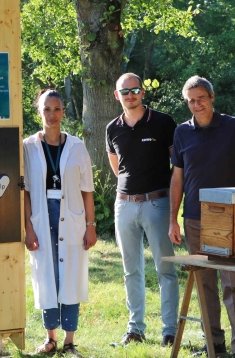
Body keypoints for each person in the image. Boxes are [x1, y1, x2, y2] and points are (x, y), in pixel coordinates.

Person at [169, 76, 235, 358]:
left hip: (228, 218)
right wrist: (173, 219)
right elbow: (177, 179)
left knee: (232, 282)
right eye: (191, 100)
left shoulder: (233, 126)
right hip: (194, 217)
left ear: (212, 97)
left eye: (201, 98)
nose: (196, 104)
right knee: (204, 285)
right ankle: (214, 344)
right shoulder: (181, 132)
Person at [105, 73, 179, 347]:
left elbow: (177, 168)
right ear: (117, 95)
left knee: (165, 268)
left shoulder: (163, 122)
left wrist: (171, 207)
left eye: (135, 90)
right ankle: (135, 329)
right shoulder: (112, 128)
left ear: (143, 92)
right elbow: (117, 168)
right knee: (131, 270)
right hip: (124, 205)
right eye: (125, 91)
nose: (130, 95)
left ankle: (170, 331)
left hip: (157, 203)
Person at [24, 89, 96, 357]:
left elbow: (87, 189)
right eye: (46, 109)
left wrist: (91, 225)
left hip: (72, 217)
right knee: (47, 275)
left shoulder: (77, 146)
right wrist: (28, 227)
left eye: (56, 109)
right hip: (41, 216)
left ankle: (69, 341)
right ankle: (50, 338)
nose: (52, 115)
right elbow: (26, 192)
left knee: (70, 276)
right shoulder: (28, 146)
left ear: (63, 112)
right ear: (39, 112)